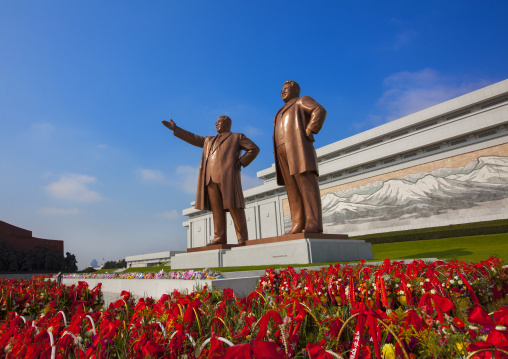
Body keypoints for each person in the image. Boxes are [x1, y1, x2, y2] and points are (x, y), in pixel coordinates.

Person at [162, 116, 259, 245]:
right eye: (216, 122)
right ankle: (219, 237)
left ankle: (242, 238)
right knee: (217, 210)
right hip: (210, 179)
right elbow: (193, 138)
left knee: (234, 207)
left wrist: (240, 162)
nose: (217, 124)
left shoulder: (237, 137)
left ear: (228, 124)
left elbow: (254, 149)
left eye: (220, 122)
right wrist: (176, 129)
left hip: (228, 178)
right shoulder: (209, 140)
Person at [273, 80, 327, 234]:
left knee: (306, 185)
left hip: (298, 148)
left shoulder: (301, 101)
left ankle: (313, 223)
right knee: (292, 189)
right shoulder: (280, 111)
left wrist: (310, 130)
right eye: (281, 90)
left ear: (296, 90)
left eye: (286, 89)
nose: (282, 92)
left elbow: (319, 110)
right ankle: (297, 223)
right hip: (282, 152)